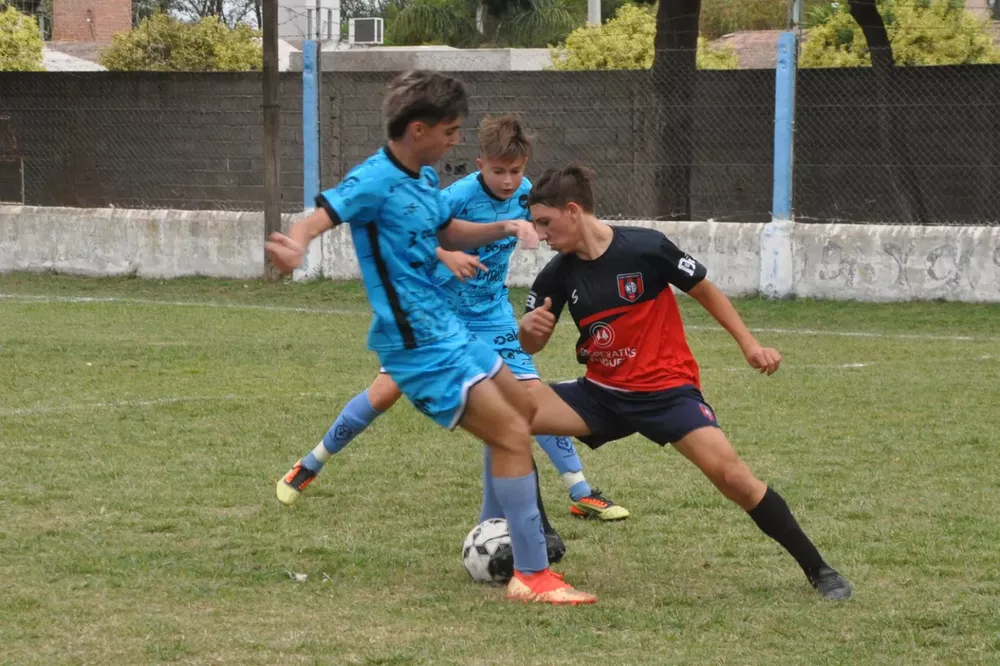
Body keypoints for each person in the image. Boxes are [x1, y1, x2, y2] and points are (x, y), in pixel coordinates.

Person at [264, 71, 596, 605]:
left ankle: (502, 525)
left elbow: (446, 229)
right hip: (416, 343)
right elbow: (318, 217)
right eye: (450, 130)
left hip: (451, 328)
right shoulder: (374, 180)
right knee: (512, 432)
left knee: (523, 410)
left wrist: (504, 228)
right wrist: (295, 244)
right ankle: (533, 576)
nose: (455, 141)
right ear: (418, 129)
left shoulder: (422, 179)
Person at [514, 165, 853, 601]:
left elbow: (704, 288)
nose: (540, 234)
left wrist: (748, 344)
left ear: (573, 210)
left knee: (734, 477)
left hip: (666, 392)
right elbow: (530, 343)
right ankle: (539, 538)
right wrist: (530, 332)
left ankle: (819, 570)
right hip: (601, 394)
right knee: (509, 415)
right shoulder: (556, 275)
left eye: (545, 222)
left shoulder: (646, 247)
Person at [277, 114, 629, 523]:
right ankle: (310, 463)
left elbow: (552, 227)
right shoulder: (457, 196)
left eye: (516, 171)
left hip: (492, 312)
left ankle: (580, 490)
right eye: (499, 171)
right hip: (439, 311)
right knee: (385, 392)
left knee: (531, 397)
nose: (508, 181)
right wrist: (446, 255)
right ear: (480, 163)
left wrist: (541, 236)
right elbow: (418, 235)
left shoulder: (529, 195)